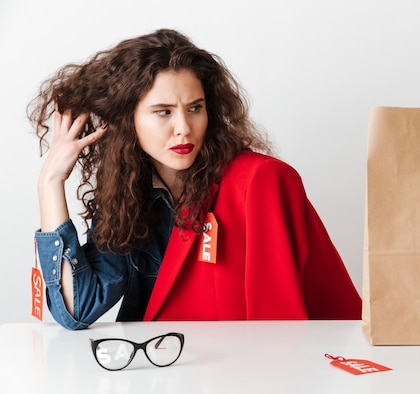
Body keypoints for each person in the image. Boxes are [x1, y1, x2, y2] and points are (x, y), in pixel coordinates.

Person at [29, 28, 361, 330]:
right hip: (160, 374)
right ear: (125, 121)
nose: (184, 128)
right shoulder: (130, 197)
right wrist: (50, 182)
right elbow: (78, 308)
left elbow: (278, 327)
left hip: (239, 382)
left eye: (195, 108)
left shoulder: (261, 181)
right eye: (164, 111)